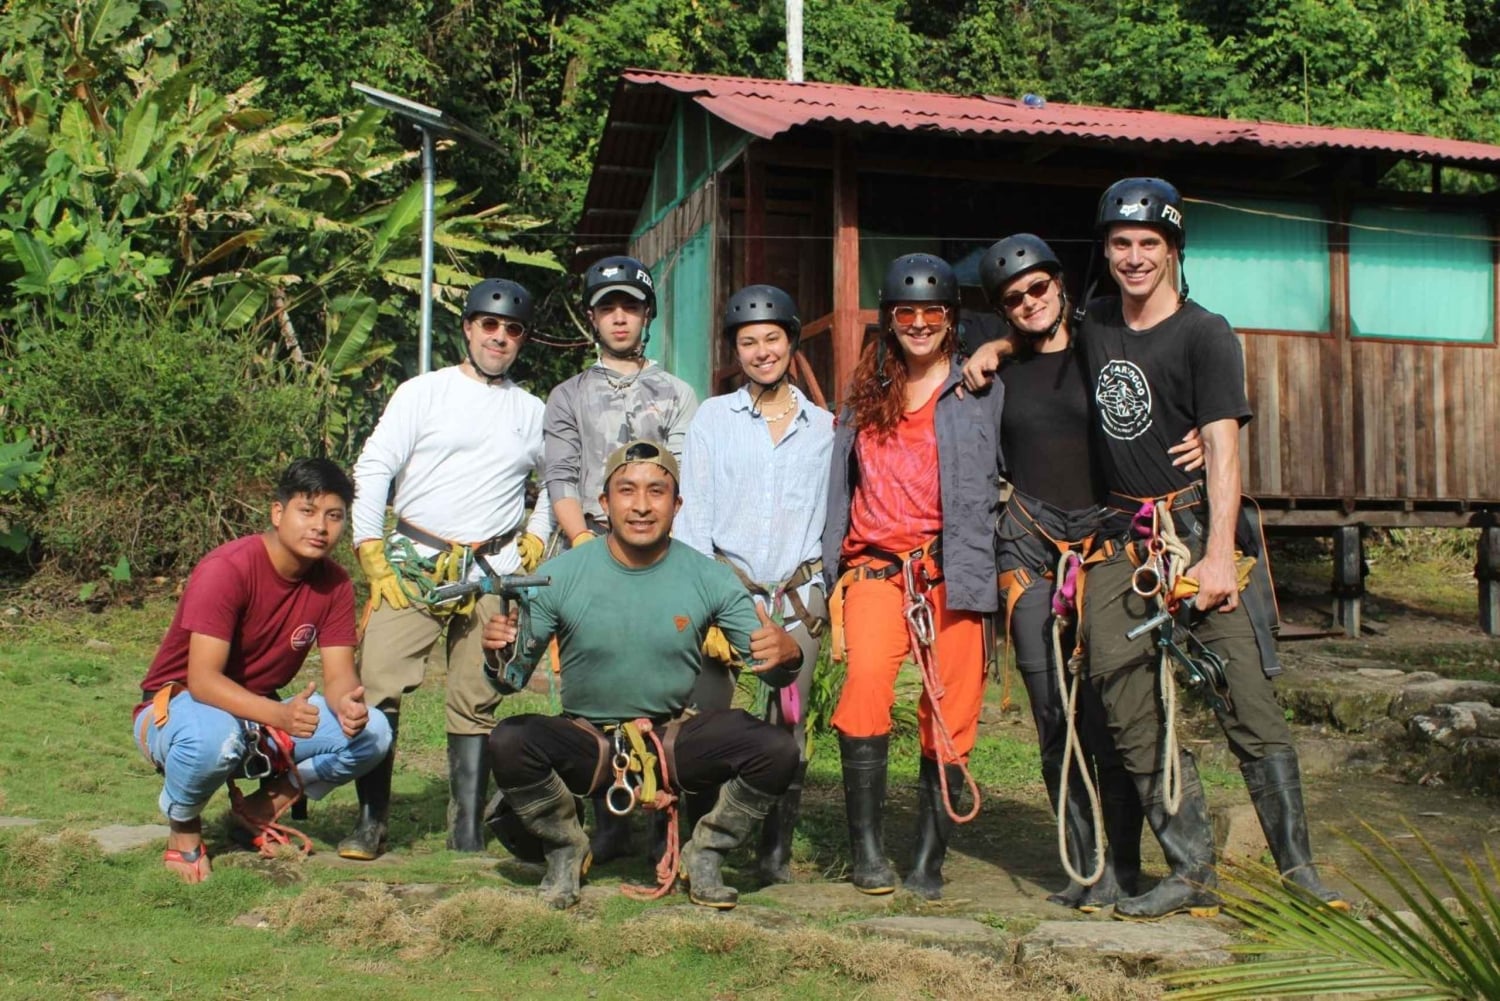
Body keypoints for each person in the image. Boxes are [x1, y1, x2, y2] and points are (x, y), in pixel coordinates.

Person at [1073, 177, 1343, 919]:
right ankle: (1192, 871)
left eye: (1148, 244)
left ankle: (1299, 873)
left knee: (1248, 703)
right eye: (1121, 244)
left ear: (1172, 249)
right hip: (1121, 541)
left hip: (1194, 533)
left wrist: (1220, 554)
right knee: (1126, 710)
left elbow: (1224, 448)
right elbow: (1031, 334)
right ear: (1106, 250)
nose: (1134, 257)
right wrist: (995, 346)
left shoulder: (1205, 332)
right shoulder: (1092, 324)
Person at [965, 234, 1205, 911]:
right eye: (1014, 298)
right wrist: (993, 349)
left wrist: (1200, 429)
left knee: (1110, 708)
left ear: (1060, 284)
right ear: (1002, 309)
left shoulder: (1106, 340)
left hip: (1106, 540)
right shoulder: (996, 368)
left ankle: (1123, 866)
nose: (1030, 302)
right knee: (1052, 714)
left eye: (1039, 288)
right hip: (1030, 546)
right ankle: (1086, 862)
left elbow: (1175, 339)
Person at [482, 440, 804, 910]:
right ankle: (565, 849)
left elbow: (773, 672)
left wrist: (787, 653)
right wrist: (498, 653)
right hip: (589, 745)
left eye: (657, 492)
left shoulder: (708, 576)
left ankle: (706, 852)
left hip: (670, 742)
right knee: (510, 740)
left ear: (676, 505)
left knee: (776, 748)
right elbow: (508, 681)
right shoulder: (558, 576)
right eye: (627, 490)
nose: (641, 505)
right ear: (605, 503)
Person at [339, 277, 553, 860]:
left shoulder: (532, 410)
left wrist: (536, 537)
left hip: (492, 566)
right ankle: (370, 822)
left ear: (522, 340)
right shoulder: (422, 393)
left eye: (512, 331)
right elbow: (375, 465)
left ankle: (466, 833)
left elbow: (557, 484)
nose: (500, 338)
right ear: (467, 327)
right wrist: (369, 547)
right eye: (490, 325)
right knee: (378, 681)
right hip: (414, 563)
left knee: (475, 694)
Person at [823, 253, 1005, 901]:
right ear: (889, 319)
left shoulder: (982, 388)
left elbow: (1059, 334)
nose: (921, 323)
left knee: (952, 710)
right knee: (866, 684)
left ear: (953, 319)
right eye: (908, 312)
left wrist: (1003, 343)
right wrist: (826, 569)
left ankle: (929, 854)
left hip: (953, 568)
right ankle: (867, 849)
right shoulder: (863, 395)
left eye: (934, 312)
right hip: (875, 565)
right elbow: (838, 488)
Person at [133, 459, 392, 883]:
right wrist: (277, 716)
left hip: (256, 717)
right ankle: (183, 827)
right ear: (277, 512)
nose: (321, 527)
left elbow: (339, 674)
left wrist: (348, 704)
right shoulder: (228, 569)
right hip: (180, 708)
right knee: (213, 740)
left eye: (334, 516)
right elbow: (201, 680)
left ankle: (258, 811)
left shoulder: (336, 583)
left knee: (374, 732)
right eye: (307, 512)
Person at [542, 255, 700, 862]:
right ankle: (602, 818)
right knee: (591, 683)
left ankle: (663, 808)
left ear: (646, 316)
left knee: (657, 679)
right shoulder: (568, 394)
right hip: (587, 545)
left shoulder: (676, 393)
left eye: (629, 307)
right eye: (607, 307)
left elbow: (684, 476)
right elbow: (560, 475)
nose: (618, 318)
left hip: (656, 551)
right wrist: (583, 547)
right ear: (592, 318)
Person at [677, 284, 834, 884]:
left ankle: (775, 848)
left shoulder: (825, 427)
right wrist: (704, 603)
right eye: (749, 342)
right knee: (705, 714)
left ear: (791, 343)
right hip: (725, 587)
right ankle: (701, 841)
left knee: (787, 726)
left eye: (772, 338)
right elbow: (693, 515)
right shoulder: (713, 419)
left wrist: (829, 589)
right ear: (735, 351)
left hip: (798, 593)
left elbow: (830, 514)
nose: (762, 351)